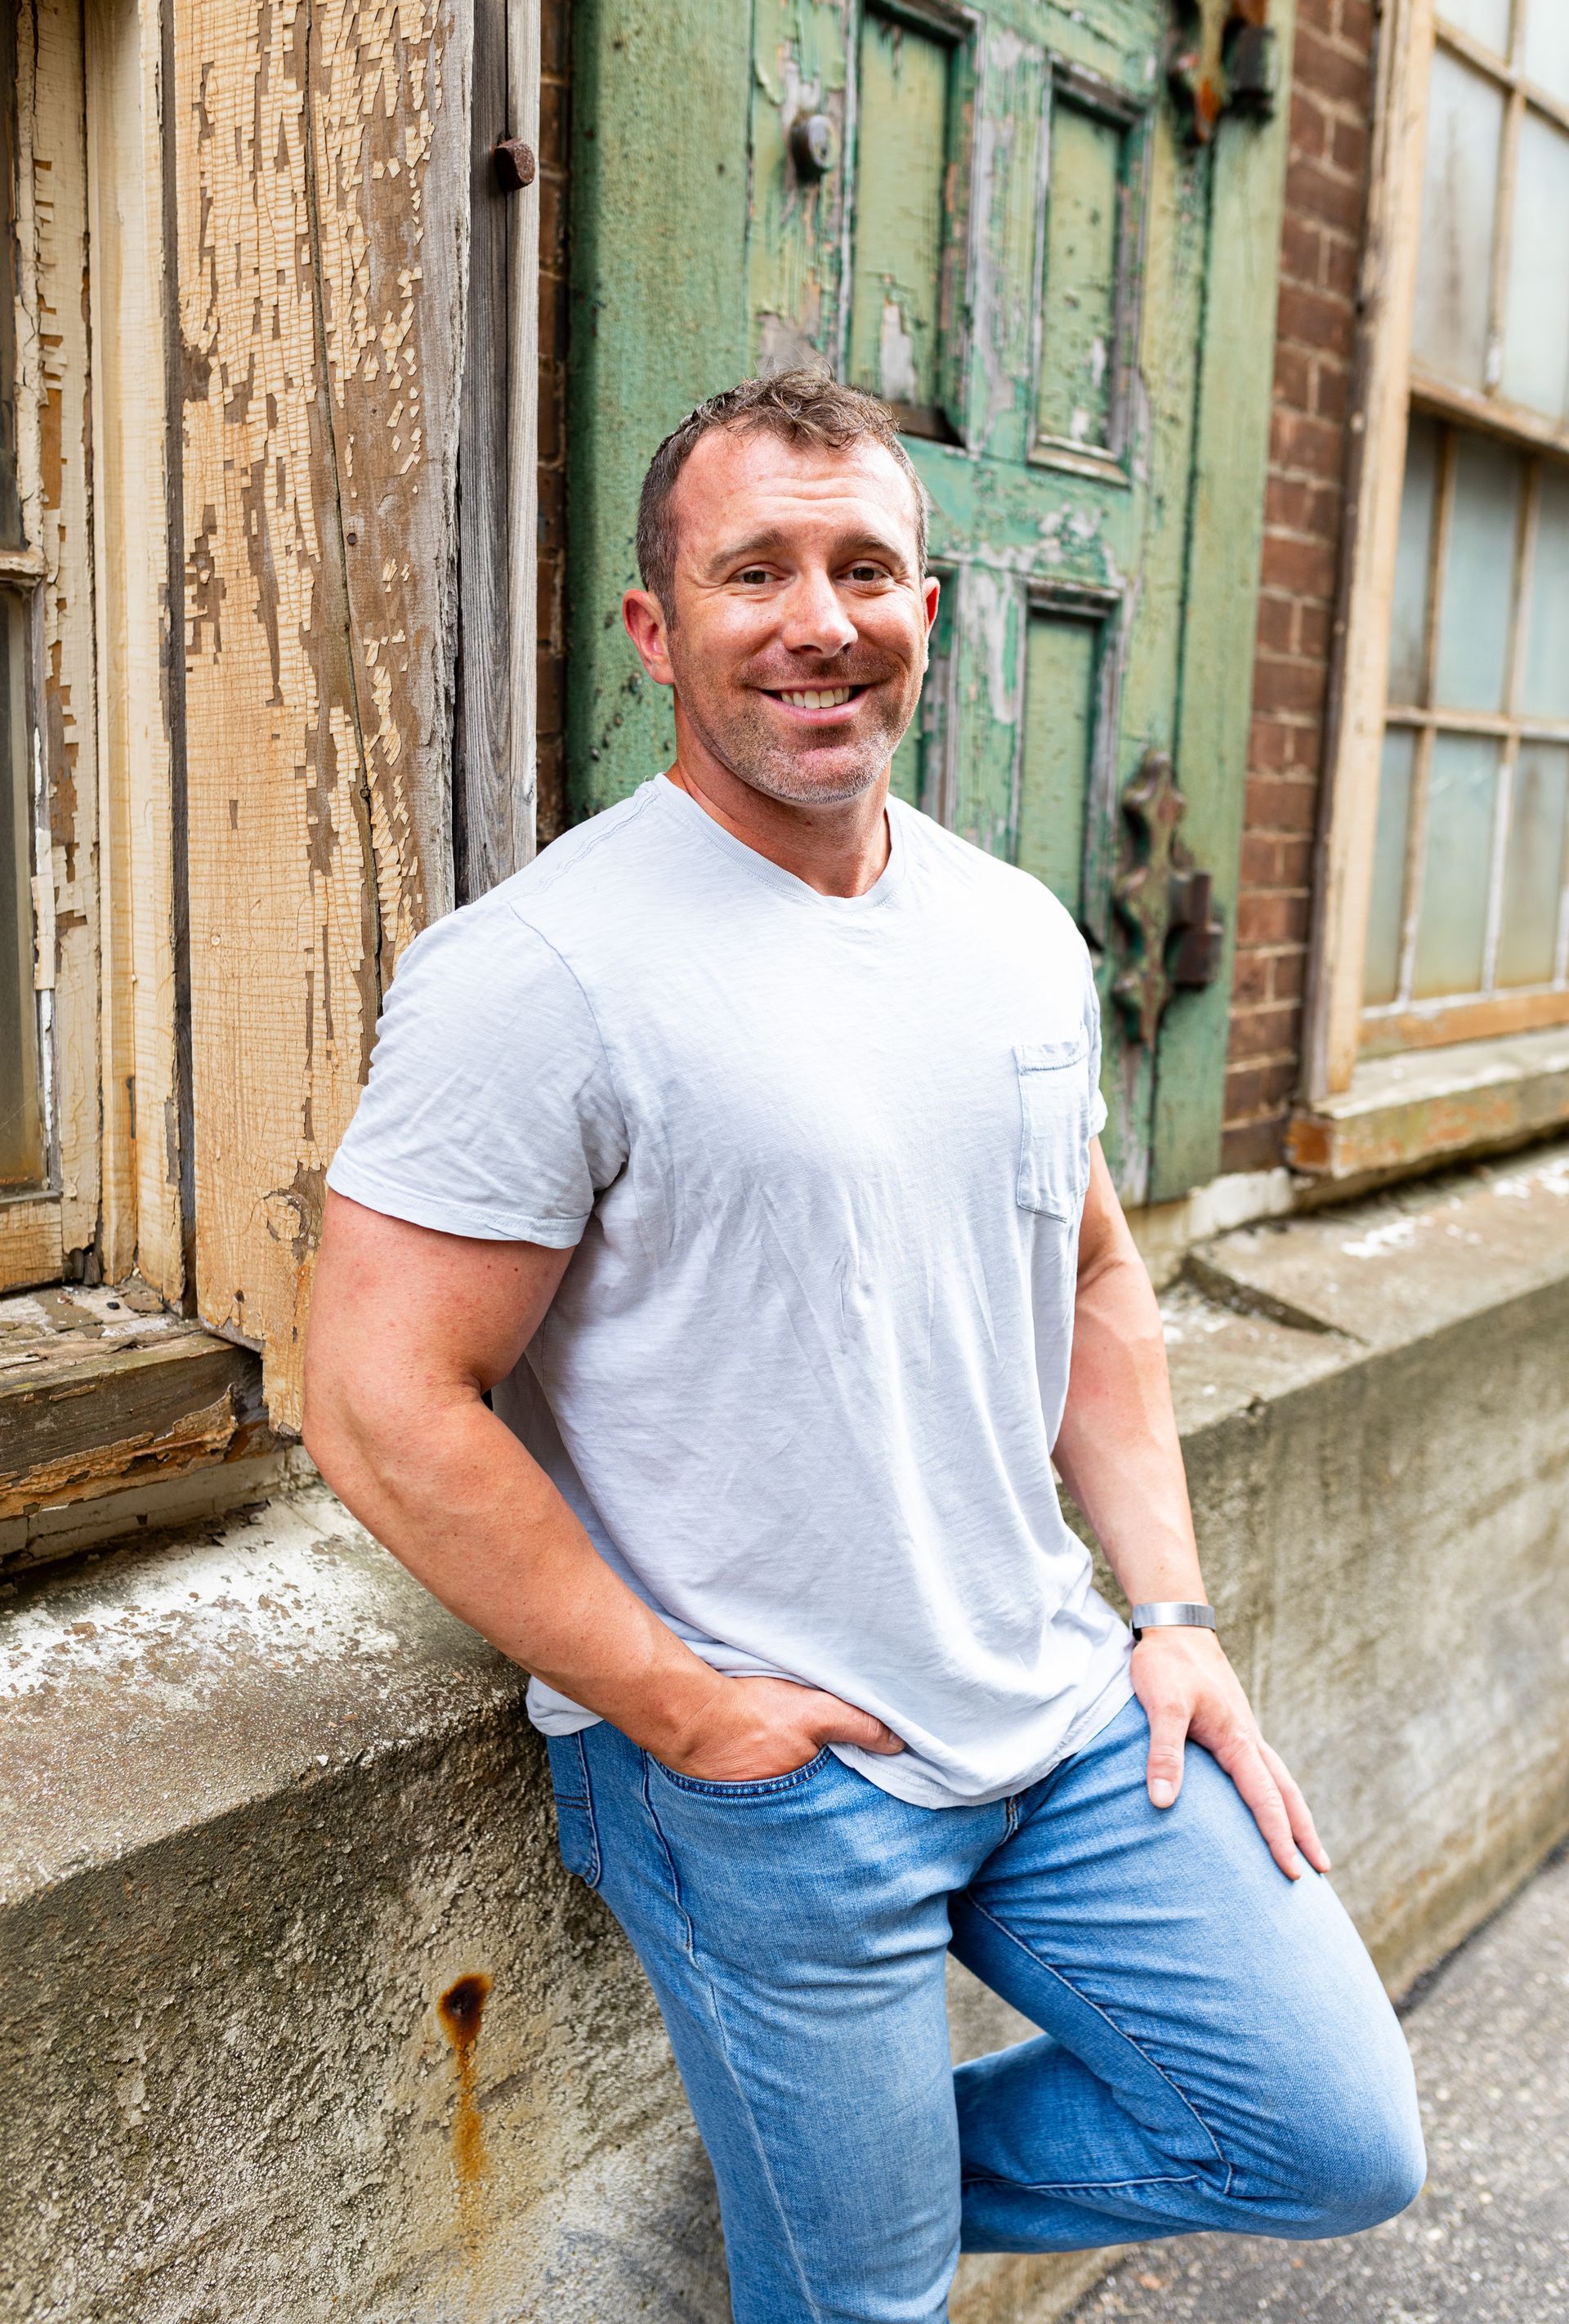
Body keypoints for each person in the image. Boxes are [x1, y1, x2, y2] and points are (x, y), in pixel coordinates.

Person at [302, 369, 1424, 2324]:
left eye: (867, 569)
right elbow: (384, 1400)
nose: (820, 619)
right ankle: (832, 2218)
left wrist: (1172, 1614)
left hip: (1063, 1710)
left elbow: (1084, 1279)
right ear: (655, 628)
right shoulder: (539, 975)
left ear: (929, 609)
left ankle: (820, 2194)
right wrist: (680, 1709)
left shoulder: (1014, 934)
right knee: (868, 2313)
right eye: (755, 572)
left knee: (1334, 2135)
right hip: (772, 1770)